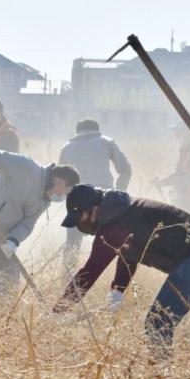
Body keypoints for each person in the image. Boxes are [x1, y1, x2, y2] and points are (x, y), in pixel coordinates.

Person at [52, 184, 190, 360]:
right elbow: (128, 252)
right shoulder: (123, 209)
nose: (80, 225)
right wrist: (117, 289)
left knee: (157, 322)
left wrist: (57, 312)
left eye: (80, 217)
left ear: (94, 210)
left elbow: (88, 273)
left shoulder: (112, 228)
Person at [0, 148, 80, 292]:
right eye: (67, 192)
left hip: (5, 237)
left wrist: (13, 241)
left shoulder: (44, 200)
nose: (65, 197)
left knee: (10, 280)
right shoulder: (27, 167)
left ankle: (8, 312)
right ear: (60, 183)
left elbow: (27, 224)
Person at [58, 117, 132, 274]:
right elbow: (126, 170)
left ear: (78, 132)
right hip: (105, 199)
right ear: (97, 130)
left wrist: (69, 200)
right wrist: (118, 195)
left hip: (77, 202)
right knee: (114, 241)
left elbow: (60, 180)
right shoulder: (106, 142)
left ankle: (66, 278)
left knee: (72, 245)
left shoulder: (66, 147)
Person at [154, 121, 190, 214]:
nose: (176, 136)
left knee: (184, 225)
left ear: (185, 134)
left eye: (177, 133)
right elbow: (178, 174)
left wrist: (178, 190)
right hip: (186, 195)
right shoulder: (185, 150)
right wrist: (163, 183)